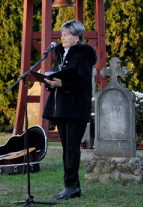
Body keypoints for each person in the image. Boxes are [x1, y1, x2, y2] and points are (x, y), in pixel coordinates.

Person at [42, 20, 97, 200]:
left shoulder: (83, 54)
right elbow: (58, 75)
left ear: (76, 37)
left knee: (72, 149)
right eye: (62, 34)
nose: (62, 37)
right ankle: (73, 187)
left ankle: (70, 186)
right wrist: (51, 83)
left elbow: (82, 83)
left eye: (65, 34)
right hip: (61, 108)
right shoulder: (60, 52)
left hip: (76, 108)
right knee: (66, 148)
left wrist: (63, 83)